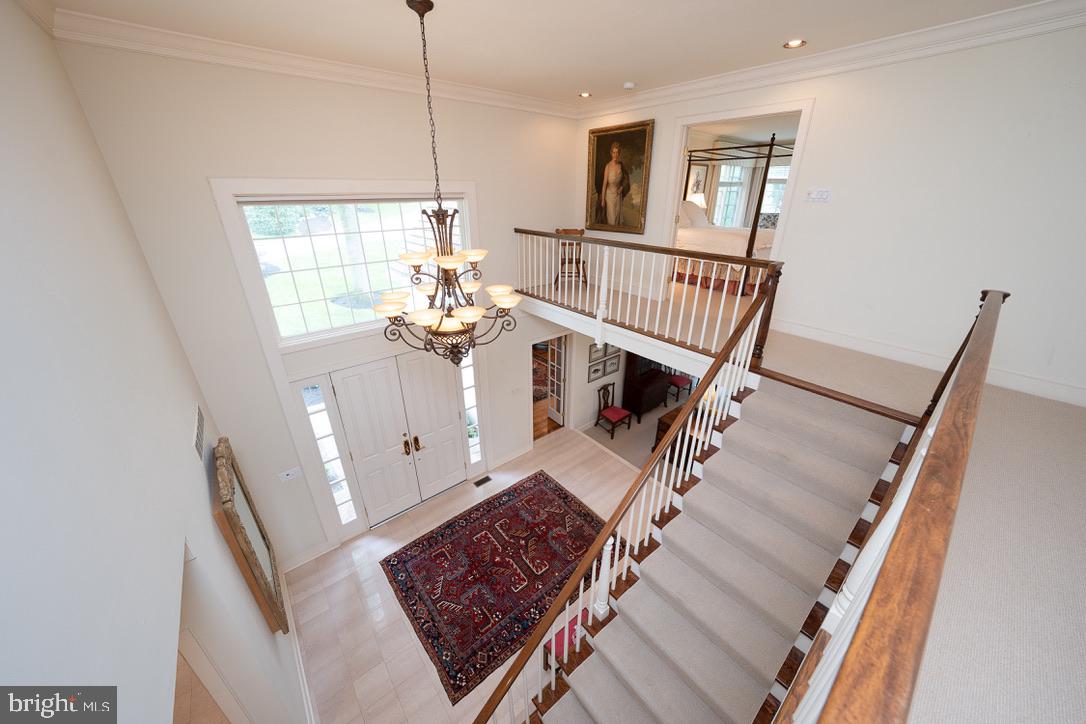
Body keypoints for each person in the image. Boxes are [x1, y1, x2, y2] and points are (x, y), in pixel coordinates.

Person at [599, 141, 630, 226]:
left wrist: (621, 188)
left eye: (617, 152)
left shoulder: (621, 166)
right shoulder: (608, 166)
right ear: (611, 153)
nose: (615, 154)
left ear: (619, 153)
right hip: (609, 196)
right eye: (614, 152)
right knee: (611, 220)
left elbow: (625, 179)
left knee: (617, 220)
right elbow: (604, 184)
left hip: (618, 196)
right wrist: (602, 200)